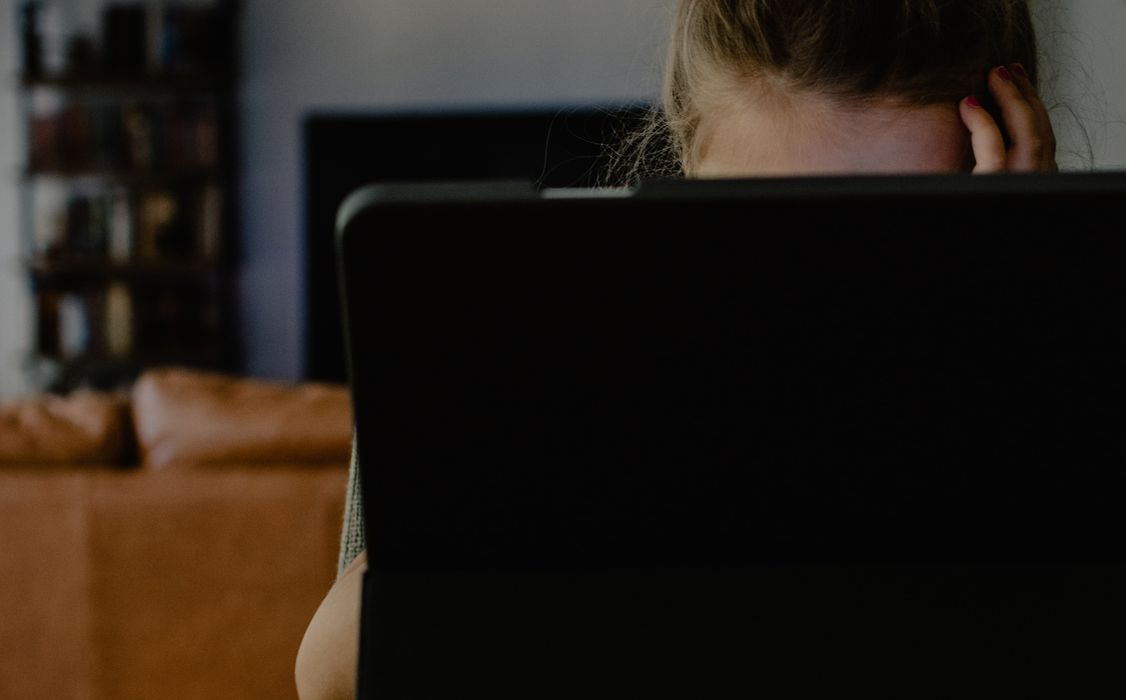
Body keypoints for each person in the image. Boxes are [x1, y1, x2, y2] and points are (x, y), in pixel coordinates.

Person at [295, 1, 1058, 697]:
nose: (813, 304)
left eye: (893, 239)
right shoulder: (558, 360)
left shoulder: (1043, 379)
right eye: (758, 233)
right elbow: (330, 676)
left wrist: (990, 325)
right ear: (689, 161)